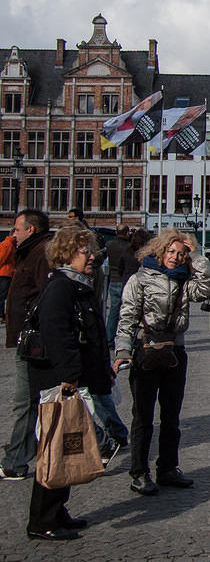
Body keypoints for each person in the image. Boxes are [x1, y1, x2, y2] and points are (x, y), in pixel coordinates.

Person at [113, 229, 210, 496]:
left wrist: (196, 255)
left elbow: (209, 288)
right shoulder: (140, 279)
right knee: (143, 416)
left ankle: (168, 468)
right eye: (171, 252)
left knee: (172, 415)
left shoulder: (185, 280)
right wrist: (122, 351)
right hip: (145, 349)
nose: (175, 257)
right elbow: (127, 317)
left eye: (181, 254)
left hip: (174, 351)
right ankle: (139, 472)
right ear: (160, 251)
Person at [24, 225, 109, 540]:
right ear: (67, 253)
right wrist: (69, 376)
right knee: (55, 446)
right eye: (85, 251)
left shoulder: (77, 285)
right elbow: (58, 335)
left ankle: (57, 511)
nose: (91, 256)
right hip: (56, 381)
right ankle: (42, 520)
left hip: (68, 379)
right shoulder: (61, 287)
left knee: (68, 444)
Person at [1, 209, 54, 482]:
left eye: (17, 229)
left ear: (30, 229)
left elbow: (47, 296)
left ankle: (15, 461)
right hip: (28, 337)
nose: (14, 234)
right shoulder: (31, 252)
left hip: (32, 339)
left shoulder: (41, 253)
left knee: (26, 402)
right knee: (34, 401)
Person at [104, 224, 132, 344]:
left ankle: (109, 338)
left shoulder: (109, 245)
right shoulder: (129, 247)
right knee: (128, 312)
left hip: (114, 280)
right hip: (126, 281)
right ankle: (125, 339)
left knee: (113, 312)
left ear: (116, 233)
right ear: (127, 233)